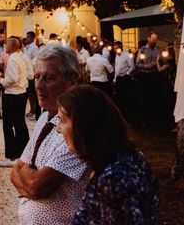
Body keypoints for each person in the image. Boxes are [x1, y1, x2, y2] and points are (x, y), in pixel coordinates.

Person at [10, 44, 90, 225]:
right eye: (37, 77)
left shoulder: (78, 126)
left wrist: (27, 178)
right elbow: (17, 167)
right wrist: (26, 175)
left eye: (49, 78)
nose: (39, 85)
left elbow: (37, 186)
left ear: (72, 79)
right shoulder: (45, 117)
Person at [58, 85, 160, 224]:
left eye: (63, 120)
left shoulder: (113, 178)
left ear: (85, 124)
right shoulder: (127, 156)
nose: (58, 129)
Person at [0, 37, 29, 167]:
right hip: (20, 94)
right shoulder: (19, 58)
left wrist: (1, 81)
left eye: (7, 44)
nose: (5, 46)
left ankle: (11, 157)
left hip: (12, 95)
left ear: (12, 46)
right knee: (20, 124)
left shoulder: (13, 59)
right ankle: (22, 154)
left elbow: (12, 79)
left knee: (8, 126)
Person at [135, 32, 160, 127]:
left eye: (155, 40)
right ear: (148, 39)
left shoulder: (158, 50)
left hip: (155, 76)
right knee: (144, 98)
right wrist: (147, 66)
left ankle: (154, 120)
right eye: (153, 39)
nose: (154, 41)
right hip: (144, 76)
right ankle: (144, 120)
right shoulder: (142, 50)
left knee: (154, 98)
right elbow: (137, 63)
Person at [113, 41, 136, 122]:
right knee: (119, 98)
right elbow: (116, 68)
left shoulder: (127, 55)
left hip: (125, 79)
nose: (116, 49)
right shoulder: (117, 56)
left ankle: (128, 116)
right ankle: (121, 115)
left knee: (126, 97)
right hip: (119, 79)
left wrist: (126, 74)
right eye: (115, 48)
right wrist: (115, 79)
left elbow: (132, 67)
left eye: (117, 48)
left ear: (121, 47)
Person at [24, 31, 40, 120]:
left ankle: (34, 111)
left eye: (28, 37)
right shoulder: (27, 47)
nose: (27, 38)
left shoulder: (34, 48)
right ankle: (32, 109)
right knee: (30, 92)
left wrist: (29, 64)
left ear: (33, 38)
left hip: (31, 72)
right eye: (26, 37)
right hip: (27, 72)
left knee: (33, 93)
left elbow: (36, 59)